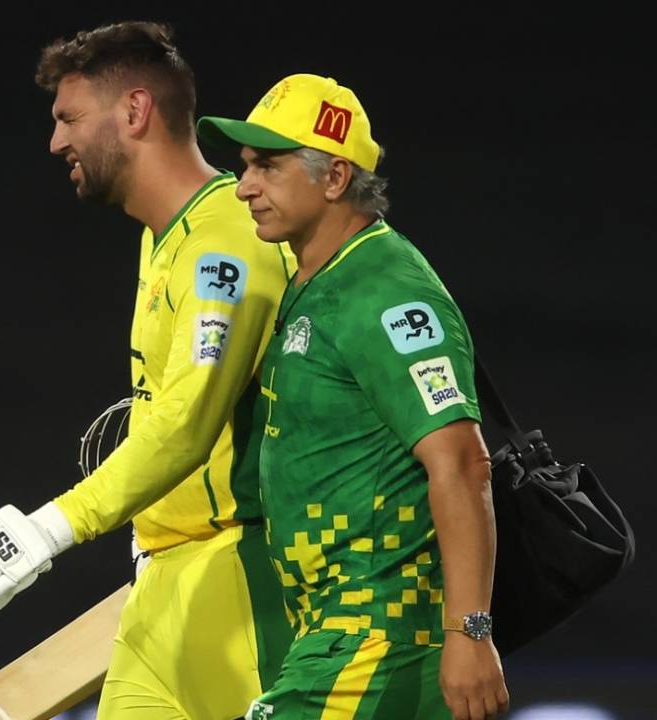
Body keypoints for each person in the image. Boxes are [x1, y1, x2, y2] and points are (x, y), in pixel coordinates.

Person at [0, 21, 296, 720]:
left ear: (135, 111)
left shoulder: (227, 242)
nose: (55, 141)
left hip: (242, 587)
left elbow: (188, 420)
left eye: (69, 118)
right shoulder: (165, 237)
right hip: (164, 583)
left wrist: (52, 527)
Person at [196, 74, 510, 720]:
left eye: (267, 166)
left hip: (376, 636)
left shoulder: (384, 291)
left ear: (335, 178)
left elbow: (462, 462)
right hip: (331, 632)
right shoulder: (316, 279)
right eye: (245, 165)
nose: (244, 185)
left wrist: (470, 633)